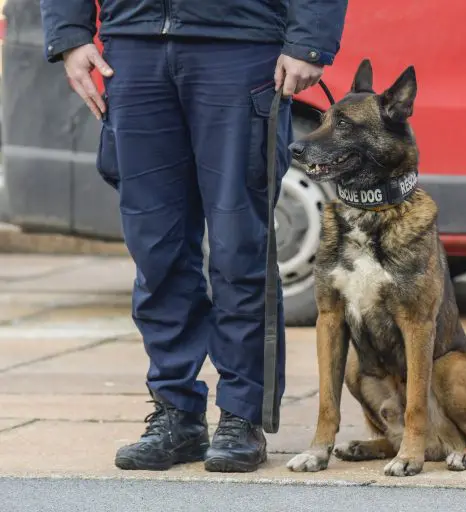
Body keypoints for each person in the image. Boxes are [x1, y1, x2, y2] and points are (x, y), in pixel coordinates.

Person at [40, 0, 348, 473]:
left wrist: (310, 40)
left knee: (238, 246)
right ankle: (175, 413)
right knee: (155, 249)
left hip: (241, 43)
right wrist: (69, 35)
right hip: (134, 46)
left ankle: (242, 415)